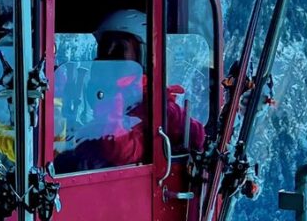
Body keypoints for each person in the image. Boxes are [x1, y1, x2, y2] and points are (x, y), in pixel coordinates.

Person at [56, 9, 205, 171]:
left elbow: (123, 151)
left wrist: (173, 116)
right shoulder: (115, 99)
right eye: (104, 49)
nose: (108, 58)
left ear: (144, 56)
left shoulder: (151, 108)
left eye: (119, 49)